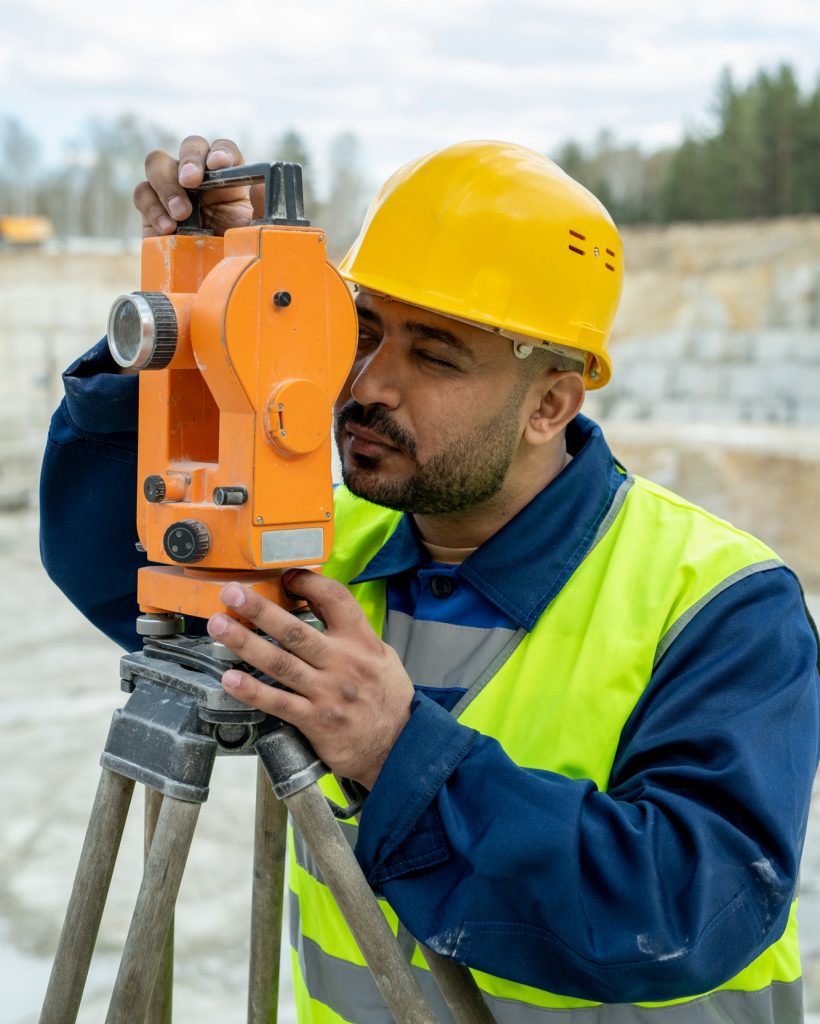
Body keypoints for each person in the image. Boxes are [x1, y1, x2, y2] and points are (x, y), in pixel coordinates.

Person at [40, 137, 819, 1024]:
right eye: (363, 330)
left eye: (436, 355)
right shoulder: (318, 545)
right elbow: (107, 557)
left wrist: (398, 753)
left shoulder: (719, 602)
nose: (369, 384)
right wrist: (211, 305)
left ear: (550, 405)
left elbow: (693, 905)